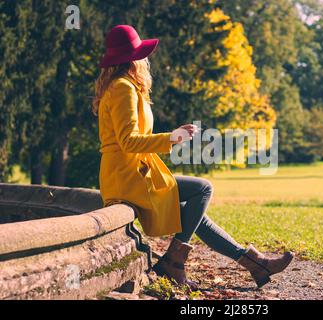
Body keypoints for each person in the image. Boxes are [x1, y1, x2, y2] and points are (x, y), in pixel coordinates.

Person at [93, 25, 293, 290]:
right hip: (128, 177)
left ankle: (255, 264)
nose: (145, 60)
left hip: (130, 173)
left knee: (192, 213)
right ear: (134, 58)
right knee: (202, 189)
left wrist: (173, 137)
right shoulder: (123, 88)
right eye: (142, 54)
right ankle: (174, 261)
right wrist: (172, 137)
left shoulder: (123, 86)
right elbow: (128, 141)